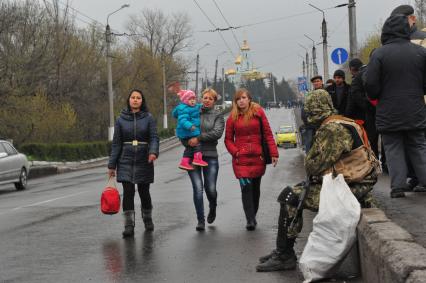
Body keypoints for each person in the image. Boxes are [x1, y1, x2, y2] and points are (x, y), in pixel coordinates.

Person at [256, 89, 379, 272]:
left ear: (314, 109)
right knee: (298, 190)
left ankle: (285, 255)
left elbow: (314, 166)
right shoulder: (342, 121)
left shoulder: (332, 129)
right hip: (354, 183)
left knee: (289, 197)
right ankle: (281, 250)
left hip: (351, 189)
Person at [365, 14, 426, 198]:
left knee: (393, 147)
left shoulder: (379, 54)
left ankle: (398, 186)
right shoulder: (420, 52)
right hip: (415, 108)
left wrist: (377, 95)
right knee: (418, 145)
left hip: (388, 111)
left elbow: (371, 85)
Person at [225, 88, 279, 231]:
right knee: (246, 189)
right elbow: (228, 140)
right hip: (241, 160)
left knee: (255, 189)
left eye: (243, 98)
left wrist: (274, 153)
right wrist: (236, 152)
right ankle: (250, 219)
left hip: (258, 157)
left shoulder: (259, 113)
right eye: (238, 99)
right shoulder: (232, 118)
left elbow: (267, 134)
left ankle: (252, 214)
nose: (241, 101)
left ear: (249, 99)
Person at [108, 89, 159, 238]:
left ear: (142, 101)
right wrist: (112, 165)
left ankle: (147, 218)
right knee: (128, 192)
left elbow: (154, 137)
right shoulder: (120, 120)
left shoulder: (148, 118)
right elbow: (116, 144)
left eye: (138, 98)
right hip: (125, 159)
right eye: (133, 97)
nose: (135, 100)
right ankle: (128, 225)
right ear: (129, 100)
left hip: (144, 158)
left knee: (144, 192)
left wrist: (153, 152)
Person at [186, 88, 225, 231]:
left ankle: (212, 206)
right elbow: (183, 128)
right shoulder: (193, 111)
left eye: (210, 98)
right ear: (201, 98)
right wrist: (187, 142)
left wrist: (198, 138)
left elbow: (217, 133)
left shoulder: (218, 116)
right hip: (192, 155)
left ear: (214, 101)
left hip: (210, 155)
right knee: (197, 189)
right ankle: (200, 220)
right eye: (205, 97)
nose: (207, 100)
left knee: (211, 189)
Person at [172, 87, 208, 171]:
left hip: (187, 133)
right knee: (197, 143)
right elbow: (182, 120)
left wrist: (203, 105)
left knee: (189, 147)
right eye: (190, 99)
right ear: (185, 100)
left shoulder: (193, 106)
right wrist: (190, 126)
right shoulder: (183, 109)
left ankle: (184, 162)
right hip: (187, 132)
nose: (192, 101)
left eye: (194, 99)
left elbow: (198, 106)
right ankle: (197, 159)